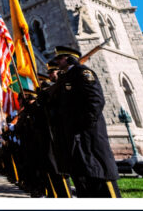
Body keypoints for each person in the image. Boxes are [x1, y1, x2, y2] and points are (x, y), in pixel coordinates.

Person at [53, 46, 121, 198]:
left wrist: (83, 124)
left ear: (69, 58)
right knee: (83, 175)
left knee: (100, 176)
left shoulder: (82, 73)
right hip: (74, 135)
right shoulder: (65, 78)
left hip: (88, 133)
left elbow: (95, 100)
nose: (56, 62)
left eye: (59, 58)